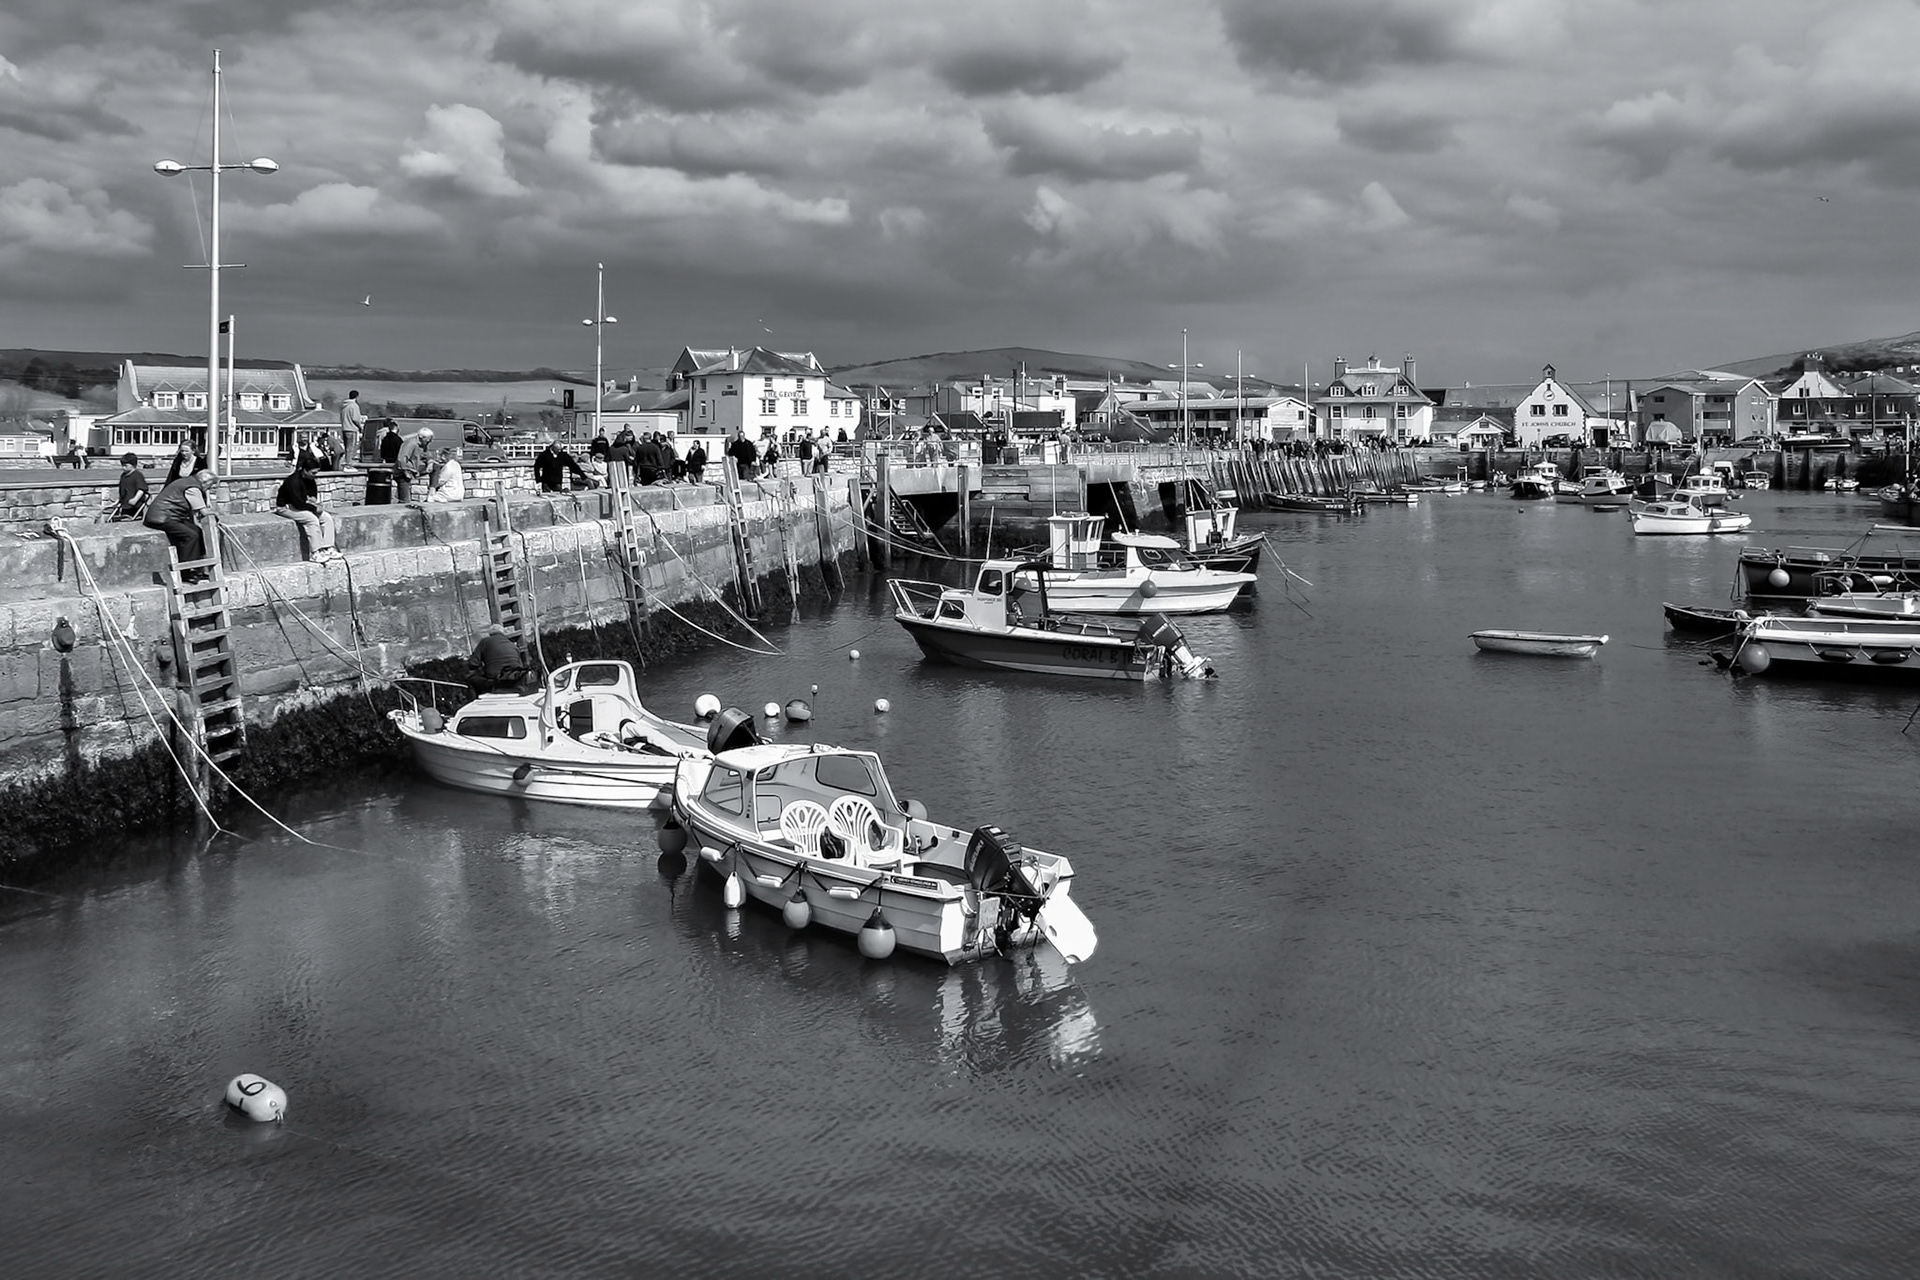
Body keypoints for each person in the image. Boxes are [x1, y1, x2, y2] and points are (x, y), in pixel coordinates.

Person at [145, 464, 216, 579]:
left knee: (197, 531)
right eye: (210, 486)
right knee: (190, 536)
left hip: (169, 516)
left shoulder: (188, 482)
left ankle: (198, 567)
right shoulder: (193, 487)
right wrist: (215, 514)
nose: (209, 490)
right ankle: (185, 571)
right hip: (162, 518)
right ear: (206, 482)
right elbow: (203, 511)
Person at [274, 456, 341, 562]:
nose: (315, 475)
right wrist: (314, 508)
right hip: (286, 508)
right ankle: (315, 552)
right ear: (305, 470)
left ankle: (328, 547)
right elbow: (298, 503)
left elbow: (312, 492)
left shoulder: (309, 479)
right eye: (313, 473)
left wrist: (313, 499)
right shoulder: (293, 481)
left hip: (302, 505)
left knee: (327, 518)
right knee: (311, 519)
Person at [468, 624, 529, 695]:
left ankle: (477, 700)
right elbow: (519, 666)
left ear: (490, 633)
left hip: (495, 681)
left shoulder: (485, 641)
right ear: (503, 633)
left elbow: (473, 663)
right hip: (514, 680)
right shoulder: (512, 645)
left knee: (472, 679)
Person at [396, 427, 434, 502]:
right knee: (405, 500)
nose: (430, 441)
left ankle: (433, 488)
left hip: (414, 470)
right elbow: (402, 458)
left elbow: (427, 455)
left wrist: (430, 462)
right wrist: (406, 471)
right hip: (403, 473)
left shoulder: (423, 445)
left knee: (436, 467)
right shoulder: (410, 444)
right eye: (428, 438)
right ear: (421, 437)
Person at [113, 453, 150, 522]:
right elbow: (123, 490)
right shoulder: (123, 476)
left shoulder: (137, 475)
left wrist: (135, 499)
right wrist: (119, 500)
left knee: (133, 520)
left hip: (135, 505)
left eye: (126, 466)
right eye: (122, 465)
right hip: (125, 504)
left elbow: (141, 489)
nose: (123, 468)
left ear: (133, 465)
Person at [338, 389, 367, 467]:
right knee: (351, 447)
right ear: (356, 397)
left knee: (346, 447)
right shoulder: (354, 406)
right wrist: (360, 426)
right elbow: (355, 418)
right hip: (352, 428)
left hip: (344, 428)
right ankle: (349, 463)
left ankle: (346, 461)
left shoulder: (344, 406)